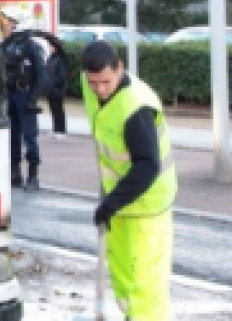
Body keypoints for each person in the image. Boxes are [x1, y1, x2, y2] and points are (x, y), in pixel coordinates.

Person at [81, 40, 176, 321]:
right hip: (120, 203)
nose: (99, 89)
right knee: (122, 279)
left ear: (120, 68)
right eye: (93, 82)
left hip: (148, 207)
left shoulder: (136, 108)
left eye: (106, 82)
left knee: (147, 289)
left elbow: (147, 166)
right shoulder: (90, 85)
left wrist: (109, 205)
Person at [0, 6, 47, 191]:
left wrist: (33, 97)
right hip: (11, 95)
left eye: (11, 21)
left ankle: (33, 176)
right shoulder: (9, 45)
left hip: (25, 95)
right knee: (12, 136)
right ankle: (15, 173)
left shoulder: (33, 47)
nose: (8, 24)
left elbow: (41, 75)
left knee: (29, 136)